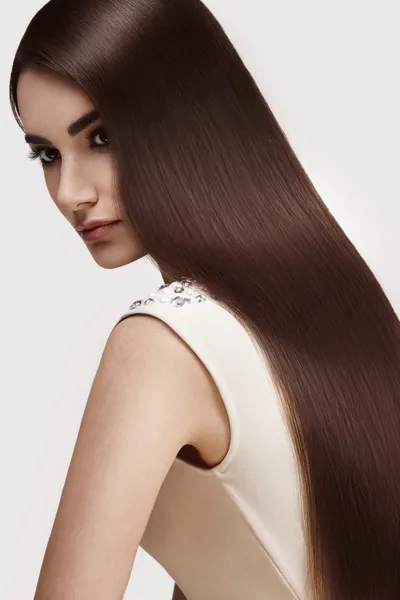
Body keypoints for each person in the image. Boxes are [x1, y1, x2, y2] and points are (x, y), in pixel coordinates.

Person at [10, 0, 400, 599]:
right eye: (48, 154)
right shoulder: (330, 302)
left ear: (190, 118)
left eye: (102, 136)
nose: (70, 192)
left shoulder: (161, 344)